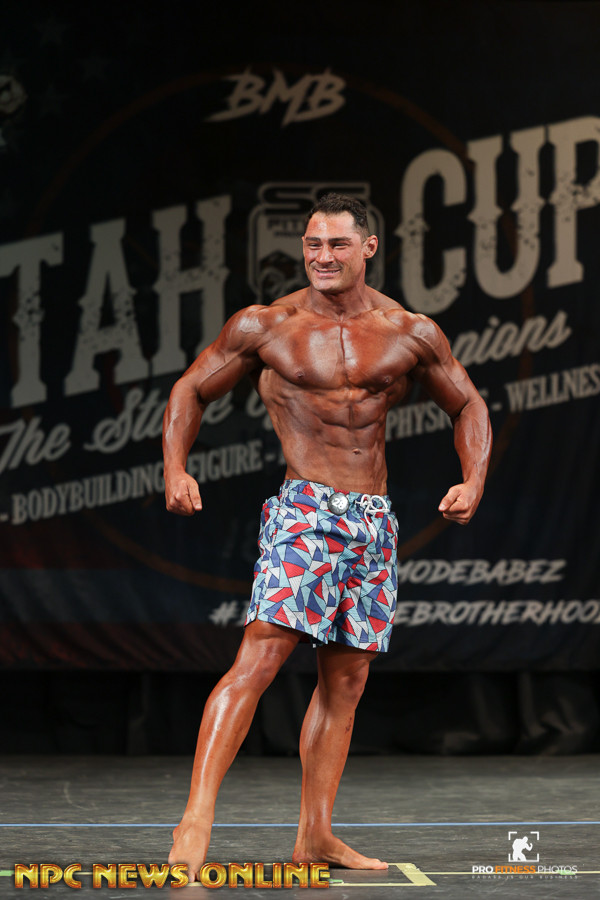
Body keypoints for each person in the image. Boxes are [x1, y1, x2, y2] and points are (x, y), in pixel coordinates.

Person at [162, 193, 492, 879]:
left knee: (347, 680)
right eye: (313, 245)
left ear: (367, 247)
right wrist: (175, 467)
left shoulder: (409, 331)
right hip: (306, 510)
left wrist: (474, 479)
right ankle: (195, 819)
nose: (322, 256)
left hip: (372, 519)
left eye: (337, 244)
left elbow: (467, 403)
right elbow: (191, 389)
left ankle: (315, 835)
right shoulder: (266, 325)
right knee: (258, 660)